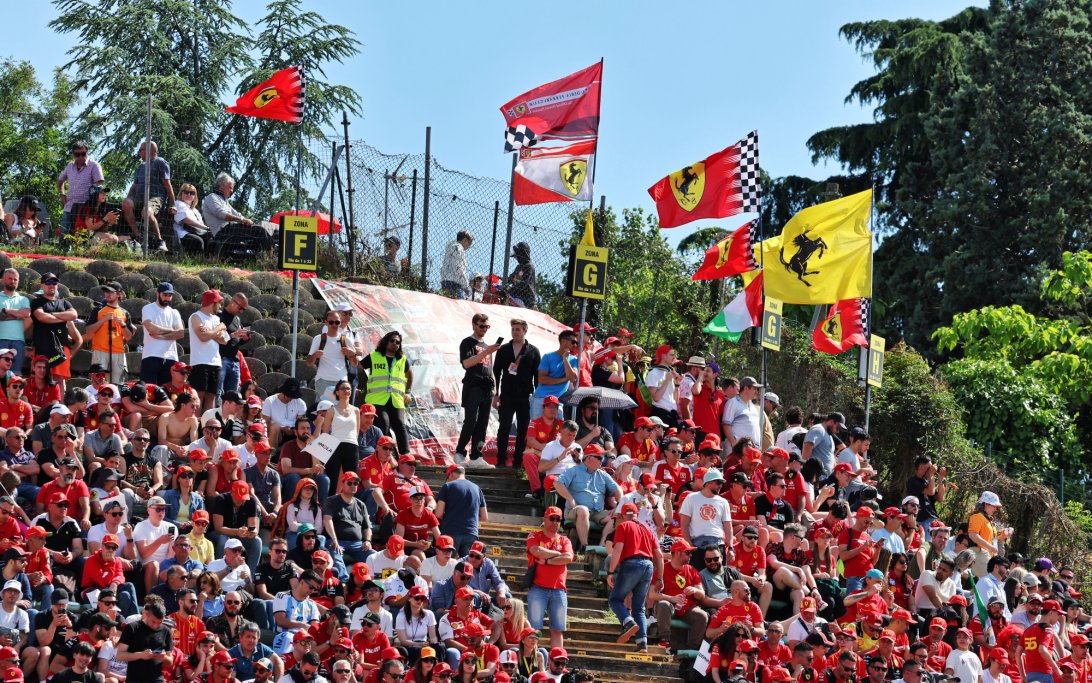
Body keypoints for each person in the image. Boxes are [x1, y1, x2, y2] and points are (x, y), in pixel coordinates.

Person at [607, 502, 663, 652]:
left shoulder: (623, 526)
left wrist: (611, 572)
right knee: (639, 607)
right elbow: (659, 556)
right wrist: (660, 578)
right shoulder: (647, 529)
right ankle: (642, 643)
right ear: (636, 514)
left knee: (615, 599)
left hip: (631, 564)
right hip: (648, 565)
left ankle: (628, 622)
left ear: (624, 515)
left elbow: (617, 549)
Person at [492, 319, 540, 468]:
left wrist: (536, 397)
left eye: (518, 329)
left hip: (525, 396)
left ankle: (518, 462)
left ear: (525, 330)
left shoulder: (533, 350)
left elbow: (537, 376)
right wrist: (496, 394)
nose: (515, 332)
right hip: (506, 395)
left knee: (523, 430)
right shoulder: (504, 349)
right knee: (504, 427)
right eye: (513, 329)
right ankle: (501, 460)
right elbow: (496, 372)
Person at [454, 314, 500, 468]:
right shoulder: (467, 342)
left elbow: (488, 368)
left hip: (487, 387)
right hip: (473, 385)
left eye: (487, 326)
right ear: (473, 325)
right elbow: (466, 363)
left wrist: (494, 389)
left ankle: (476, 456)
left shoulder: (487, 346)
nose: (484, 329)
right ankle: (460, 452)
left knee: (483, 423)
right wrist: (486, 353)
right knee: (471, 420)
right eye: (481, 326)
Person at [650, 539, 708, 653]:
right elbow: (652, 594)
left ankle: (691, 650)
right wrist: (671, 598)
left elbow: (702, 595)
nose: (690, 555)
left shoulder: (692, 570)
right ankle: (664, 641)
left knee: (702, 616)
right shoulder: (661, 570)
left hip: (688, 608)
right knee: (663, 604)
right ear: (677, 553)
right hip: (669, 607)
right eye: (687, 552)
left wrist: (695, 590)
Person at [553, 450, 619, 550]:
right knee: (583, 510)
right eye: (599, 458)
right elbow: (557, 483)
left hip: (597, 512)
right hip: (575, 510)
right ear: (589, 458)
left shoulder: (603, 474)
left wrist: (619, 505)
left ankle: (601, 546)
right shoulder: (573, 470)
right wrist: (570, 499)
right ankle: (585, 546)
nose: (603, 461)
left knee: (616, 517)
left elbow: (618, 490)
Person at [361, 331, 411, 456]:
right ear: (386, 341)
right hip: (377, 398)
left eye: (397, 342)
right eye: (392, 341)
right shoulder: (374, 356)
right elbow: (359, 368)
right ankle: (386, 454)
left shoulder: (402, 359)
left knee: (400, 424)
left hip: (396, 398)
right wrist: (361, 385)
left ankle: (405, 456)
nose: (394, 344)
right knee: (383, 422)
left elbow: (410, 374)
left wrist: (408, 392)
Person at [121, 140, 173, 250]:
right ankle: (138, 236)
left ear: (149, 150)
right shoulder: (141, 166)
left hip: (155, 197)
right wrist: (128, 198)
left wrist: (172, 204)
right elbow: (134, 186)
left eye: (140, 150)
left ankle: (160, 241)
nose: (139, 152)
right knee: (126, 203)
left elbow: (167, 184)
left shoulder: (160, 162)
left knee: (146, 212)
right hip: (139, 197)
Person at [202, 173, 274, 250]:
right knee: (259, 230)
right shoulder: (211, 197)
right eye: (230, 188)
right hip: (222, 232)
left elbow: (236, 213)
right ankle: (272, 254)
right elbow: (222, 214)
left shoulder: (224, 201)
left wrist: (247, 221)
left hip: (230, 229)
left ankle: (269, 253)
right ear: (222, 186)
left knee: (258, 230)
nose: (232, 191)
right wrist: (242, 220)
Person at [318, 380, 362, 491]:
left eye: (348, 388)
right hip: (334, 446)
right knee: (333, 478)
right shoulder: (331, 411)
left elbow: (356, 432)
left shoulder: (356, 410)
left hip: (352, 445)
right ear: (337, 392)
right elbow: (325, 433)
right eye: (343, 388)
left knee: (352, 479)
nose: (346, 390)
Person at [115, 597, 173, 683]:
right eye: (153, 621)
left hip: (157, 679)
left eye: (159, 622)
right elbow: (119, 655)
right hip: (135, 679)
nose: (156, 625)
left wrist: (163, 657)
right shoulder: (132, 628)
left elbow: (170, 663)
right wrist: (141, 655)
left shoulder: (166, 631)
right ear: (147, 614)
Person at [189, 290, 229, 413]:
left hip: (215, 362)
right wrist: (218, 328)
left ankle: (207, 425)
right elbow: (203, 337)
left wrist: (210, 332)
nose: (220, 306)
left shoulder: (216, 318)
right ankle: (196, 426)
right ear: (213, 302)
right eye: (219, 303)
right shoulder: (196, 317)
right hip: (200, 361)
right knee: (199, 395)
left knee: (211, 395)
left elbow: (225, 340)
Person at [86, 283, 133, 384]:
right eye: (106, 292)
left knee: (118, 384)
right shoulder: (98, 310)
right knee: (98, 382)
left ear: (119, 294)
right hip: (100, 350)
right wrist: (103, 320)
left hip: (118, 352)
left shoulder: (125, 313)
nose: (107, 294)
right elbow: (89, 330)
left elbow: (128, 337)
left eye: (111, 292)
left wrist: (123, 324)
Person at [58, 140, 105, 238]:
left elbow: (99, 186)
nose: (80, 157)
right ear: (73, 154)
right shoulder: (69, 166)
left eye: (83, 154)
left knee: (82, 237)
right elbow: (60, 180)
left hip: (86, 208)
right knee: (64, 233)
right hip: (69, 206)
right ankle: (62, 252)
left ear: (87, 152)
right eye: (77, 154)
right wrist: (62, 194)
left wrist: (94, 206)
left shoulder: (94, 165)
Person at [31, 273, 77, 373]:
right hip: (42, 346)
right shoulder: (36, 302)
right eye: (48, 282)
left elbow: (73, 315)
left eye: (54, 282)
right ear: (42, 285)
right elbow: (42, 317)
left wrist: (52, 314)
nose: (52, 285)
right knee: (40, 378)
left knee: (60, 380)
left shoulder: (64, 303)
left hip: (62, 346)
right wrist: (63, 317)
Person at [140, 283, 186, 386]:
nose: (167, 298)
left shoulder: (174, 312)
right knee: (148, 390)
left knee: (169, 392)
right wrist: (171, 330)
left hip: (171, 357)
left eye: (170, 295)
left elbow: (180, 333)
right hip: (151, 355)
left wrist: (161, 336)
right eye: (165, 295)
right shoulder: (148, 308)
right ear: (157, 293)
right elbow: (151, 328)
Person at [529, 330, 578, 420]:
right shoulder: (548, 356)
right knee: (537, 431)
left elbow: (572, 378)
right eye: (573, 342)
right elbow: (541, 379)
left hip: (558, 402)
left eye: (576, 342)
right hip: (541, 399)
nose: (575, 345)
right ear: (563, 341)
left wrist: (565, 359)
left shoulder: (574, 359)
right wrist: (563, 379)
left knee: (557, 433)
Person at [308, 315, 350, 401]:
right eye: (331, 322)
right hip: (324, 380)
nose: (334, 325)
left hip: (341, 381)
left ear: (340, 323)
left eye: (337, 322)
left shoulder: (344, 339)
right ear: (326, 322)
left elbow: (354, 363)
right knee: (325, 410)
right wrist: (315, 355)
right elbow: (309, 363)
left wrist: (352, 355)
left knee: (340, 410)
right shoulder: (319, 338)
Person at [217, 294, 250, 399]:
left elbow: (235, 341)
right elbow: (216, 338)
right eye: (240, 308)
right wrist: (234, 335)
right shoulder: (218, 316)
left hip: (234, 361)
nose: (241, 312)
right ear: (233, 302)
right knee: (218, 393)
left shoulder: (237, 319)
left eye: (243, 310)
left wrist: (245, 338)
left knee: (233, 397)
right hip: (221, 358)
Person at [0, 271, 29, 372]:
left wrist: (5, 311)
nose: (12, 281)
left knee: (15, 376)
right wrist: (18, 315)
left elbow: (26, 314)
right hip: (0, 339)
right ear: (3, 280)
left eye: (15, 279)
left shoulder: (23, 299)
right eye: (9, 278)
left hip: (18, 341)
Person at [172, 182, 210, 252]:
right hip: (182, 233)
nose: (189, 194)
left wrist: (207, 230)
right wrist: (206, 228)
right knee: (198, 241)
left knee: (210, 237)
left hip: (195, 232)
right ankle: (194, 260)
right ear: (181, 193)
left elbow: (200, 227)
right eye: (186, 192)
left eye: (192, 193)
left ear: (194, 196)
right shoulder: (178, 203)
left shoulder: (195, 210)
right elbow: (186, 220)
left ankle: (209, 260)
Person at [440, 231, 472, 299]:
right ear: (465, 240)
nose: (469, 246)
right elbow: (458, 268)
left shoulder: (450, 248)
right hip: (454, 284)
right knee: (458, 306)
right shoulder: (458, 248)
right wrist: (466, 286)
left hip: (445, 282)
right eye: (469, 243)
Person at [506, 242, 537, 309]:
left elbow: (523, 284)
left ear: (522, 254)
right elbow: (510, 279)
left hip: (527, 301)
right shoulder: (519, 267)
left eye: (517, 255)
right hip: (517, 298)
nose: (516, 257)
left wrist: (509, 290)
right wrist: (503, 279)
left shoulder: (529, 266)